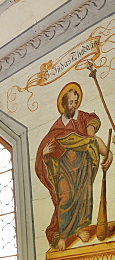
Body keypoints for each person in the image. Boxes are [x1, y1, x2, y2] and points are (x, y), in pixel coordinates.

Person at [35, 81, 112, 250]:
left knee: (83, 197)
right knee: (66, 198)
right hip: (64, 169)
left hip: (82, 166)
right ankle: (61, 235)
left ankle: (78, 228)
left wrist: (92, 131)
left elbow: (93, 123)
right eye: (70, 102)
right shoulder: (57, 126)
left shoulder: (82, 117)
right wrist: (45, 154)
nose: (73, 105)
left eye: (75, 102)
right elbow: (45, 149)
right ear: (63, 104)